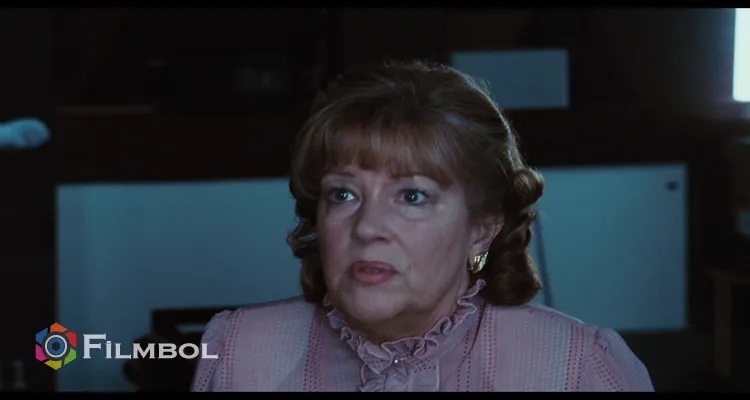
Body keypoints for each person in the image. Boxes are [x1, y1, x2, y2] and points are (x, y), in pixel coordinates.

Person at [190, 60, 654, 392]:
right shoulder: (239, 352)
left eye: (412, 196)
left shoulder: (578, 368)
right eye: (343, 194)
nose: (368, 227)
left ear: (482, 227)